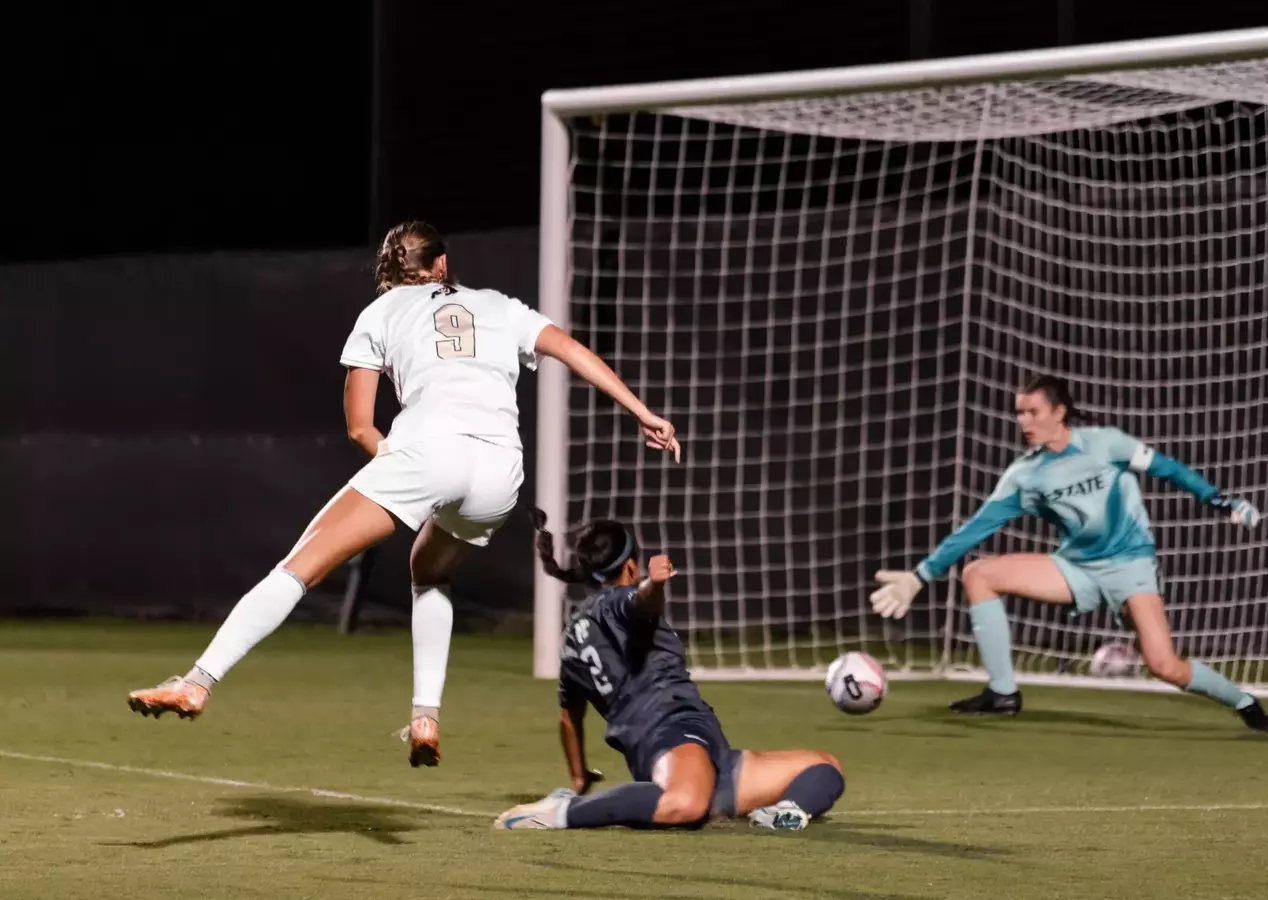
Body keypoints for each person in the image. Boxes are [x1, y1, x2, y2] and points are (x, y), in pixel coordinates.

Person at [126, 221, 681, 768]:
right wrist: (642, 413)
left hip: (428, 451)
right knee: (430, 572)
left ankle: (198, 682)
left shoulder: (380, 313)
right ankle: (425, 717)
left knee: (297, 569)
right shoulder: (499, 304)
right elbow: (571, 350)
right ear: (441, 264)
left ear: (390, 273)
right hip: (500, 471)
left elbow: (361, 426)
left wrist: (400, 467)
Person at [869, 374, 1268, 731]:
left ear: (1059, 412)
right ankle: (1003, 693)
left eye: (1032, 412)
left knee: (1163, 665)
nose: (1023, 422)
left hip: (1131, 566)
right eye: (1019, 413)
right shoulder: (1024, 475)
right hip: (1077, 568)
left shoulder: (1105, 444)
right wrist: (920, 575)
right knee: (979, 575)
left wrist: (1222, 502)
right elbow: (976, 527)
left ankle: (1244, 702)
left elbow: (1169, 469)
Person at [494, 513, 845, 831]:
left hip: (703, 745)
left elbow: (569, 716)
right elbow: (639, 603)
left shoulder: (571, 638)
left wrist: (578, 773)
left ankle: (784, 813)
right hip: (669, 733)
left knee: (824, 768)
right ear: (630, 567)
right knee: (685, 803)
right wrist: (655, 584)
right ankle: (565, 812)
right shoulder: (619, 602)